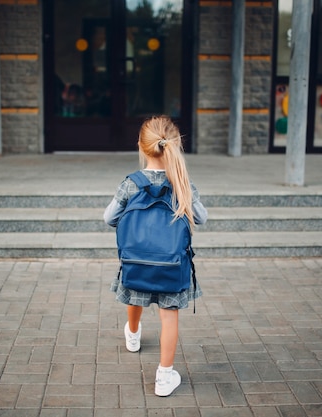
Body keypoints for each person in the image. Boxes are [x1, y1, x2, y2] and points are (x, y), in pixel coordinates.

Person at [103, 115, 208, 397]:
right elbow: (202, 218)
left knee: (134, 295)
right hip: (172, 267)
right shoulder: (181, 183)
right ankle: (164, 376)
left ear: (140, 145)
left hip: (136, 263)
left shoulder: (131, 183)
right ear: (175, 146)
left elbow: (109, 218)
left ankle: (134, 334)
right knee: (169, 316)